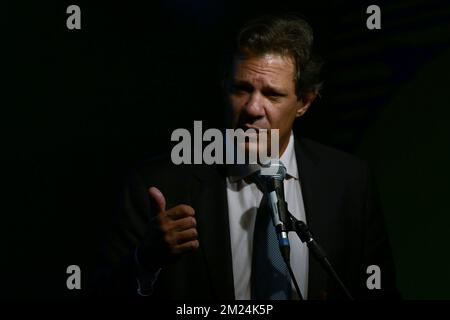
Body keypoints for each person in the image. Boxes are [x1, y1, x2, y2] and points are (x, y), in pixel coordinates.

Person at [94, 14, 399, 300]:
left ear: (304, 102)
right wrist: (144, 261)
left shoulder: (349, 181)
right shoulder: (157, 183)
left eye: (272, 94)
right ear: (224, 88)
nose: (253, 108)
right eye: (241, 89)